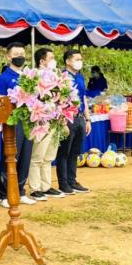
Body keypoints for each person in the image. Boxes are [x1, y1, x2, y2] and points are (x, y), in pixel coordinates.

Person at [0, 42, 35, 208]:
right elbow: (0, 102)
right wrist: (1, 124)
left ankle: (20, 191)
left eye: (22, 54)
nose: (20, 57)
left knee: (25, 156)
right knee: (10, 156)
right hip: (12, 122)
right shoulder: (4, 78)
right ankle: (4, 194)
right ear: (8, 57)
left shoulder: (28, 76)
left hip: (28, 121)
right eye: (16, 54)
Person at [27, 48, 66, 201]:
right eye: (51, 58)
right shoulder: (34, 76)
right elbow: (31, 99)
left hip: (54, 120)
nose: (54, 61)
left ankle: (46, 186)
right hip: (41, 121)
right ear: (42, 61)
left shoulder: (56, 76)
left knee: (49, 156)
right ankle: (35, 188)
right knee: (37, 156)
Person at [55, 49, 92, 195]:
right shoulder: (61, 77)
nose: (80, 62)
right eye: (77, 59)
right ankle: (63, 183)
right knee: (64, 151)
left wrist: (87, 119)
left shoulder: (80, 77)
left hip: (80, 117)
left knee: (75, 151)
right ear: (67, 61)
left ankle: (72, 180)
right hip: (67, 117)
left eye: (80, 59)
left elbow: (84, 98)